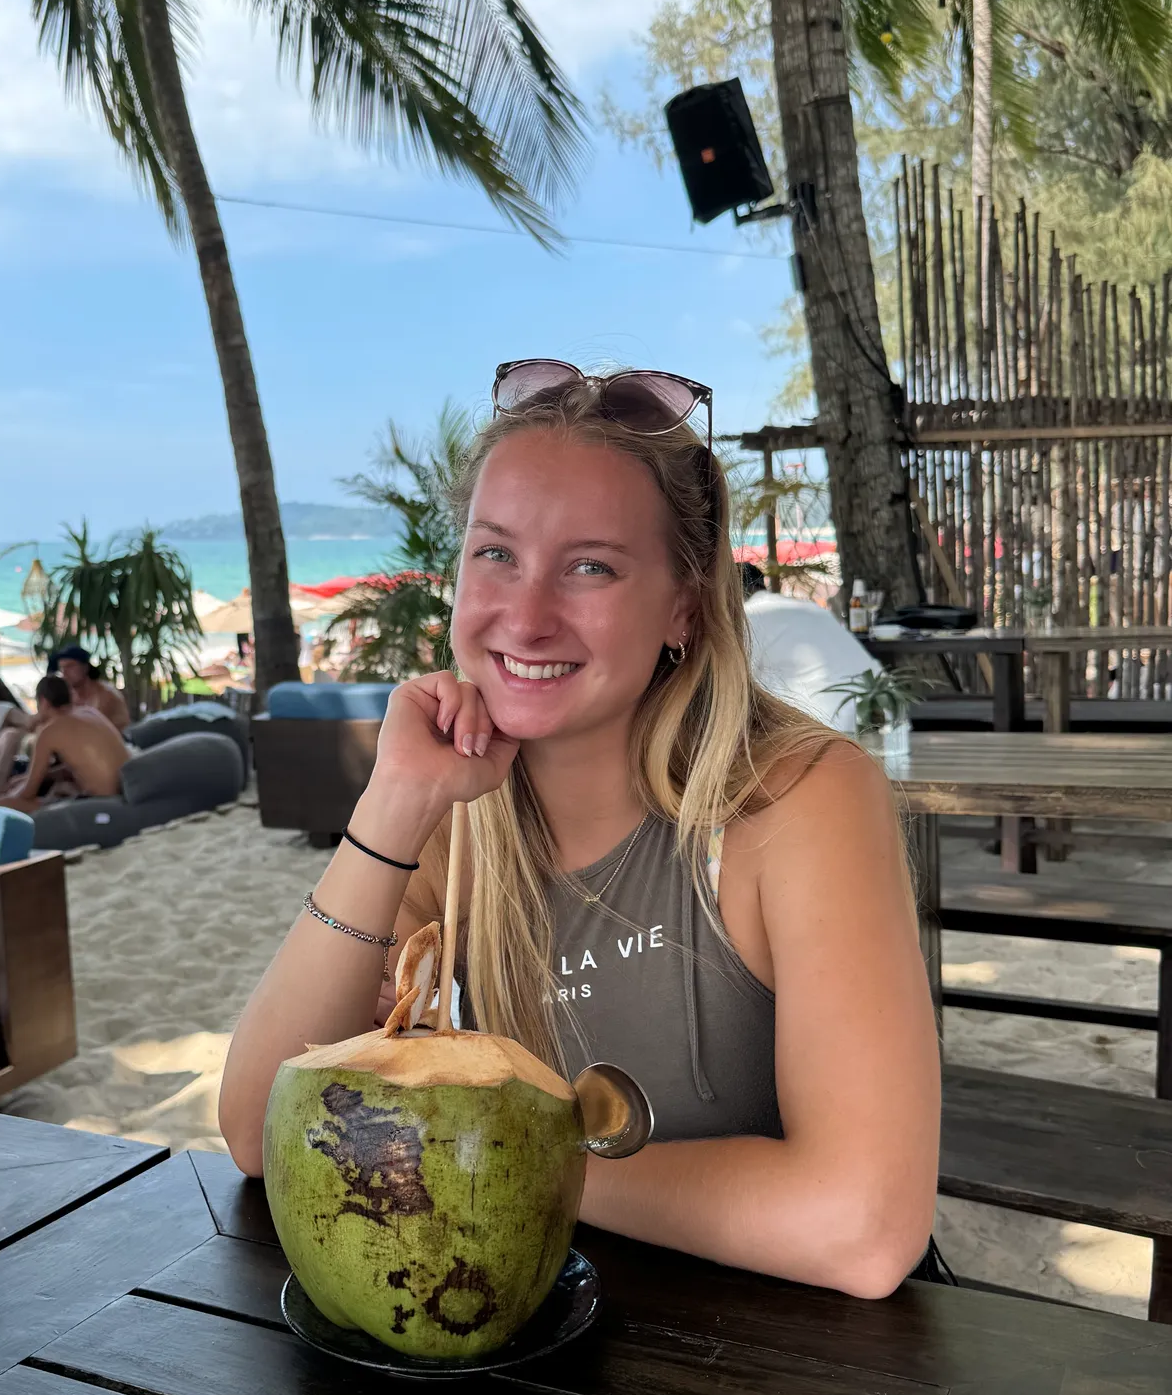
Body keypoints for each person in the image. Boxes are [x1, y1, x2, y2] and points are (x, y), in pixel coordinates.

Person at [219, 363, 940, 1300]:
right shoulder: (457, 820)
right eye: (495, 554)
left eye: (590, 565)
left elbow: (864, 1227)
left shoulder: (796, 798)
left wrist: (516, 1168)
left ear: (683, 604)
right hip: (554, 1349)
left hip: (805, 1374)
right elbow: (255, 1130)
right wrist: (393, 801)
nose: (525, 614)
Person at [740, 562, 882, 735]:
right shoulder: (809, 607)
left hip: (824, 726)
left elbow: (739, 685)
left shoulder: (751, 616)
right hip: (881, 709)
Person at [0, 673, 131, 814]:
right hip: (123, 790)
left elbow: (27, 793)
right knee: (59, 786)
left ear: (43, 702)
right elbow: (79, 765)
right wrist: (26, 779)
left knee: (0, 804)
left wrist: (9, 793)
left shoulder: (49, 731)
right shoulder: (89, 712)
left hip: (100, 804)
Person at [52, 645, 131, 734]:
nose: (64, 672)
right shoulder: (70, 695)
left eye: (70, 666)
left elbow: (89, 729)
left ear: (85, 668)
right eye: (61, 668)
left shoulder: (105, 694)